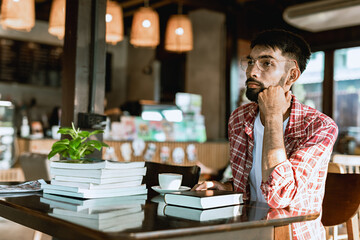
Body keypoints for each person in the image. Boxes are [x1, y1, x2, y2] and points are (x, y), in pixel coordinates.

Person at [193, 29, 338, 239]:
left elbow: (280, 197)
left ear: (292, 75)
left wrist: (272, 117)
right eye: (251, 61)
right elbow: (251, 184)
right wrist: (226, 187)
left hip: (292, 235)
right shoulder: (239, 118)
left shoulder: (320, 127)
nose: (252, 71)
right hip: (245, 231)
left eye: (266, 63)